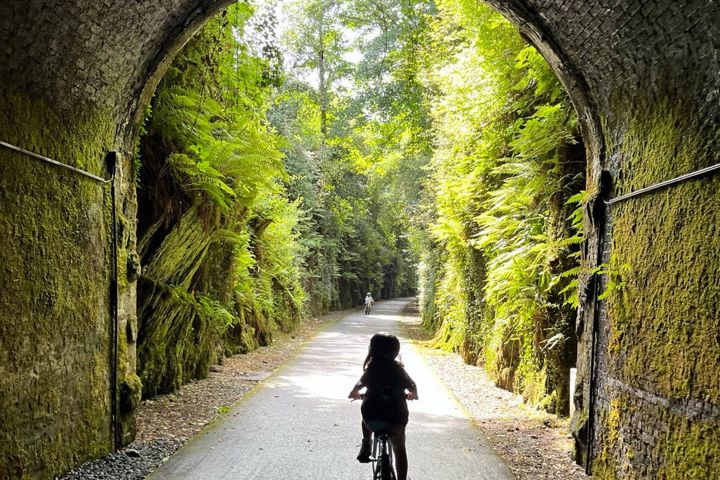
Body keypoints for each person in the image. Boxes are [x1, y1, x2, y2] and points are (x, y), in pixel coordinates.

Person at [348, 333, 418, 480]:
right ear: (395, 352)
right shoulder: (399, 370)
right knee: (399, 450)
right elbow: (412, 385)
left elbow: (360, 384)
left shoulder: (372, 369)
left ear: (372, 350)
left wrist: (354, 392)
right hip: (396, 421)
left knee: (365, 416)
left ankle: (366, 444)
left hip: (372, 420)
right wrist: (413, 394)